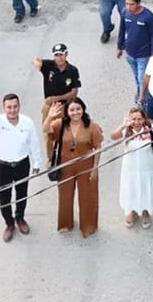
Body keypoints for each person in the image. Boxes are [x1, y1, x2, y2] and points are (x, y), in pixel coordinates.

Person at [0, 92, 47, 242]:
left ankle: (20, 219)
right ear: (4, 108)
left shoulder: (27, 122)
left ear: (19, 107)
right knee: (4, 198)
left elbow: (34, 143)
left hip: (22, 164)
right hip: (2, 166)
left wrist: (36, 163)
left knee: (22, 194)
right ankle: (9, 224)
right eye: (9, 107)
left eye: (15, 106)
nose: (12, 110)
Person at [45, 97, 105, 236]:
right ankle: (65, 223)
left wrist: (95, 168)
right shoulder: (60, 124)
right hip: (65, 166)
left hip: (86, 165)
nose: (75, 112)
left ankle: (88, 225)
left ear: (83, 109)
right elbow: (46, 129)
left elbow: (98, 147)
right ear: (67, 111)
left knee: (88, 196)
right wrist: (50, 117)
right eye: (72, 110)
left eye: (78, 109)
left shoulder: (91, 126)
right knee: (65, 196)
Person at [110, 105, 153, 227]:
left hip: (146, 165)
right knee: (131, 187)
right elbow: (113, 137)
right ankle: (132, 211)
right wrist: (123, 125)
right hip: (130, 166)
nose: (136, 122)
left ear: (144, 119)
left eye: (139, 119)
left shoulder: (150, 128)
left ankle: (145, 211)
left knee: (145, 186)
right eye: (133, 119)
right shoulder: (126, 130)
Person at [116, 0, 153, 98]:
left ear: (139, 3)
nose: (128, 7)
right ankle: (141, 93)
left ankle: (142, 101)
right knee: (137, 77)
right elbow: (122, 29)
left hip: (143, 55)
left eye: (132, 4)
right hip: (130, 53)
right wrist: (119, 47)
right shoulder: (124, 13)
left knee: (142, 79)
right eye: (126, 4)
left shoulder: (148, 16)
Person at [31, 44, 83, 119]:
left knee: (64, 129)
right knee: (47, 129)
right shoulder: (49, 65)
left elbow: (74, 93)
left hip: (65, 106)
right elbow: (36, 60)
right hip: (50, 106)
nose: (59, 58)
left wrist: (56, 98)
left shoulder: (73, 70)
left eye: (61, 55)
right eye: (56, 55)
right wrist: (37, 63)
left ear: (66, 54)